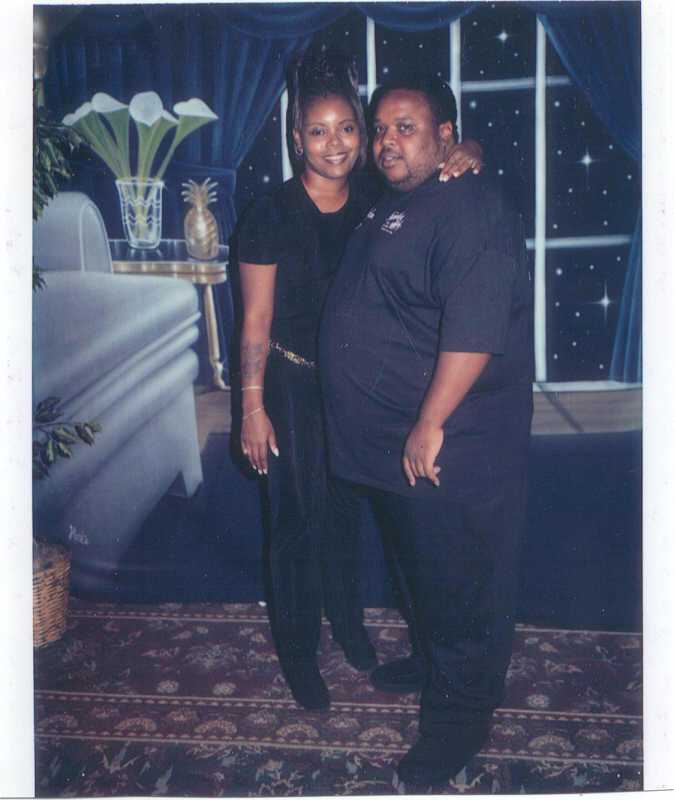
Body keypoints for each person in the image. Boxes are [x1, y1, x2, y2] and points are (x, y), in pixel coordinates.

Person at [236, 48, 483, 711]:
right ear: (297, 139)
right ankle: (298, 654)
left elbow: (442, 172)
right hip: (289, 387)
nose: (336, 144)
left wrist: (471, 150)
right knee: (296, 522)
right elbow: (255, 322)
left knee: (345, 516)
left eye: (348, 128)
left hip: (356, 389)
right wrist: (252, 408)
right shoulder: (269, 212)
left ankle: (348, 628)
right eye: (318, 131)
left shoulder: (379, 195)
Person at [319, 74, 533, 786]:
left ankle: (459, 719)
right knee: (421, 570)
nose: (386, 142)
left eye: (405, 127)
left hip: (452, 442)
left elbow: (475, 330)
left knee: (462, 582)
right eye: (380, 129)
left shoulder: (471, 207)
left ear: (446, 136)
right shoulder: (400, 201)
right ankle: (436, 658)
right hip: (394, 439)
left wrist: (430, 421)